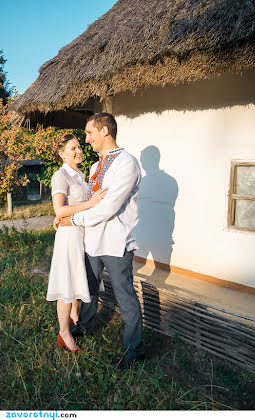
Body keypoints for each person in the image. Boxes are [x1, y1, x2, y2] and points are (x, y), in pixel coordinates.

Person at [56, 113, 145, 369]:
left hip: (116, 241)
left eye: (89, 133)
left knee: (125, 296)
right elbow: (83, 204)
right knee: (89, 290)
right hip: (92, 240)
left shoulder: (127, 163)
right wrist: (64, 215)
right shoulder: (95, 167)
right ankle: (83, 326)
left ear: (105, 131)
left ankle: (134, 349)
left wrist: (72, 221)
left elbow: (109, 208)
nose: (86, 139)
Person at [47, 133, 108, 354]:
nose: (78, 150)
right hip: (69, 237)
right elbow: (60, 210)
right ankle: (64, 333)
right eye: (72, 148)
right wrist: (91, 202)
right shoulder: (60, 176)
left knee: (75, 281)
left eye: (78, 146)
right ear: (62, 154)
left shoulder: (80, 175)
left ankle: (74, 316)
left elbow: (72, 206)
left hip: (82, 235)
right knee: (66, 285)